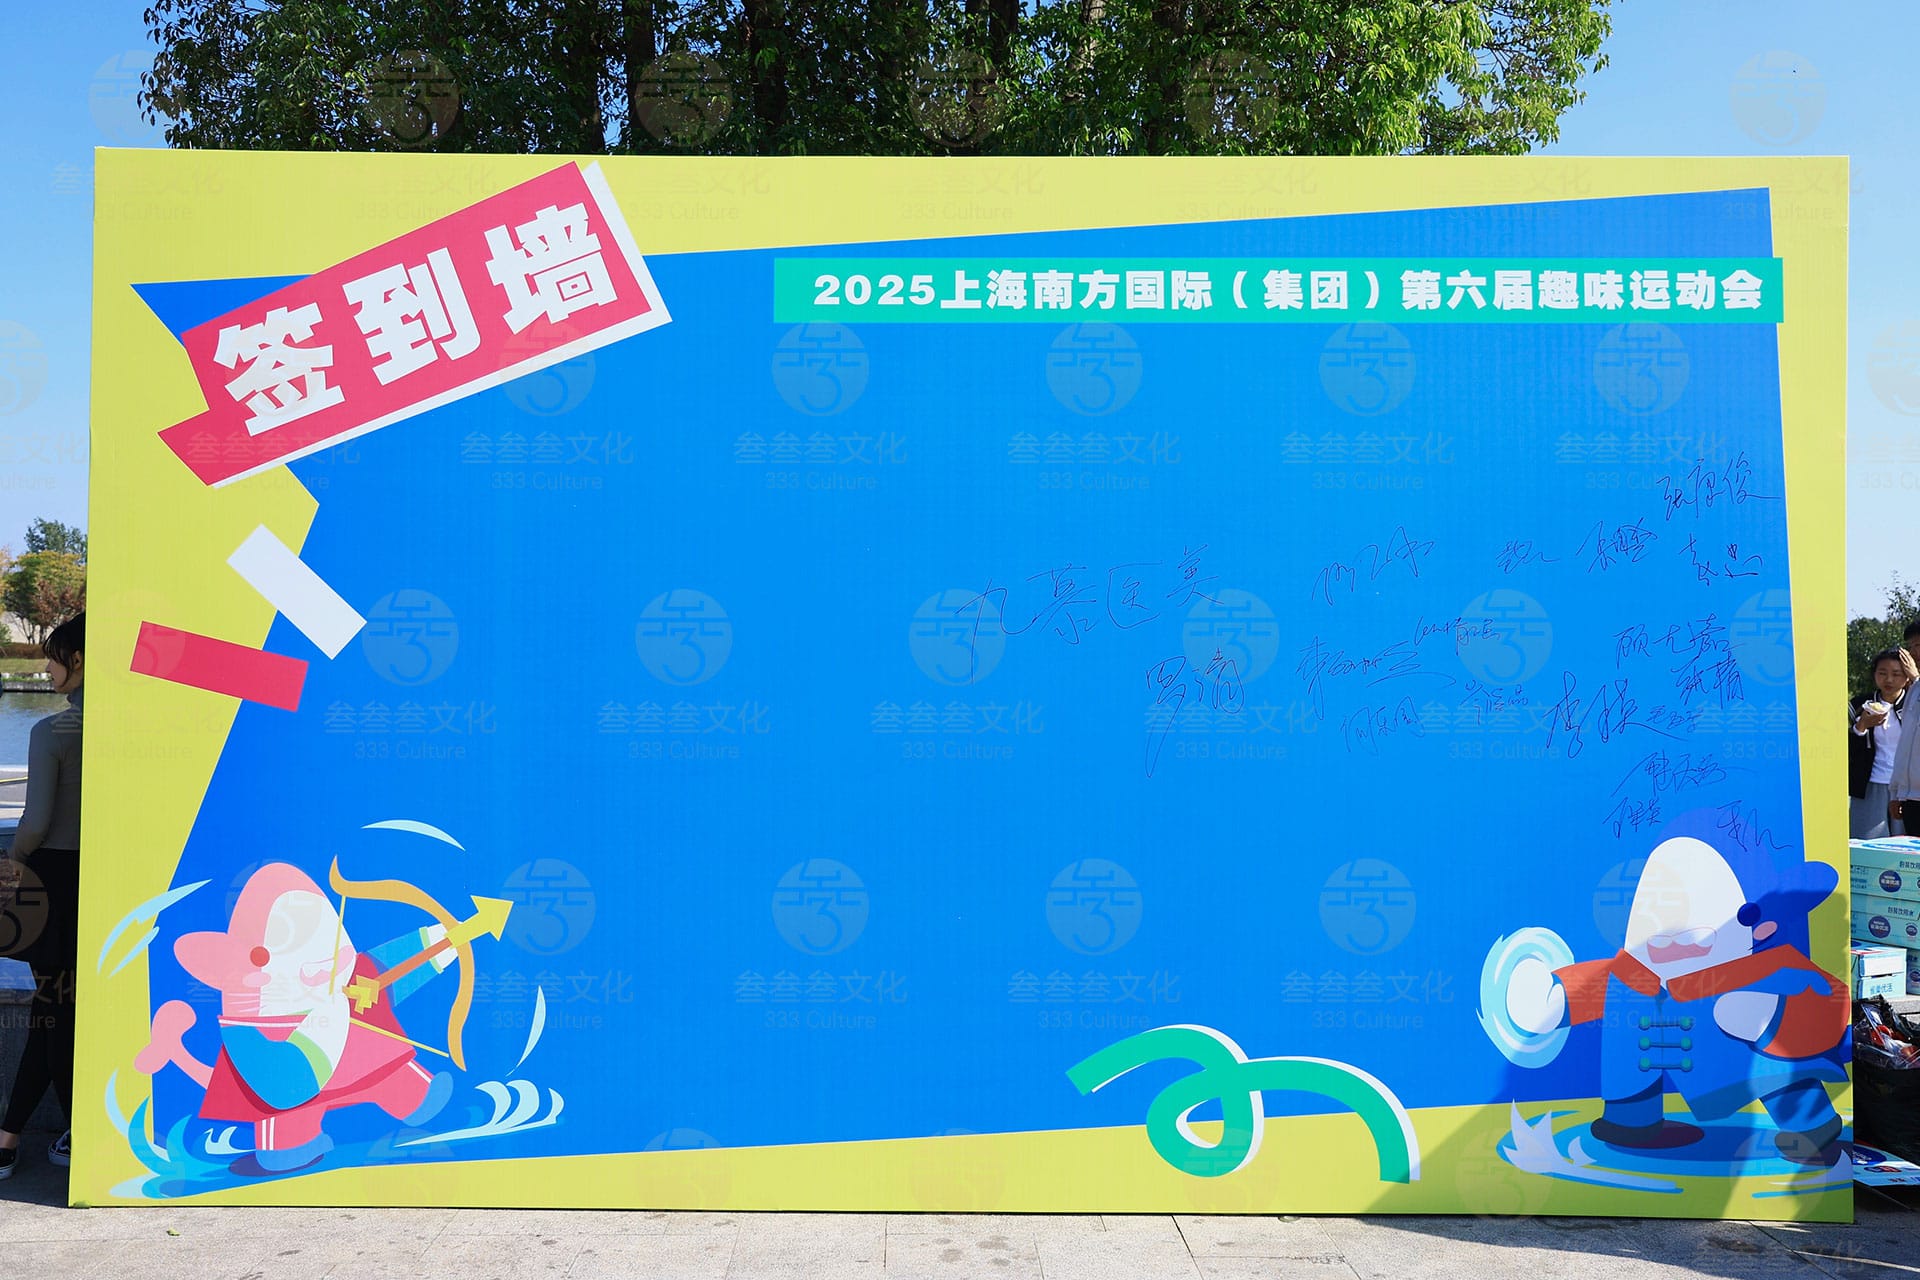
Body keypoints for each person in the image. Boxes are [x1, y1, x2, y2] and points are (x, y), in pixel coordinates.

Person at [0, 613, 83, 1180]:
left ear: (77, 660)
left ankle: (57, 1137)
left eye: (53, 657)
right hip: (108, 877)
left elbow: (34, 823)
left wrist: (15, 861)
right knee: (60, 1009)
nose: (46, 668)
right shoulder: (131, 727)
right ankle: (17, 1136)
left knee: (53, 1008)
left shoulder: (52, 731)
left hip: (52, 880)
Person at [1852, 647, 1917, 839]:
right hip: (1870, 784)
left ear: (1907, 678)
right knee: (1866, 840)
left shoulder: (1914, 704)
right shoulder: (1858, 705)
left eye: (1896, 674)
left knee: (1905, 842)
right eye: (1882, 673)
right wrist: (1861, 726)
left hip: (1907, 787)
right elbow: (1844, 748)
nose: (1888, 680)